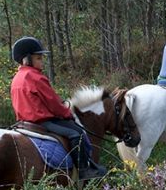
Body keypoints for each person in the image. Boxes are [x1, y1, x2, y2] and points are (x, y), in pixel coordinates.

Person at [10, 36, 107, 181]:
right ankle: (84, 171)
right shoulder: (36, 77)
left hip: (23, 123)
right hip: (42, 122)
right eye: (38, 58)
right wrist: (68, 114)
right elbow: (54, 104)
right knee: (77, 133)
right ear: (26, 59)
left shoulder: (17, 78)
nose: (42, 62)